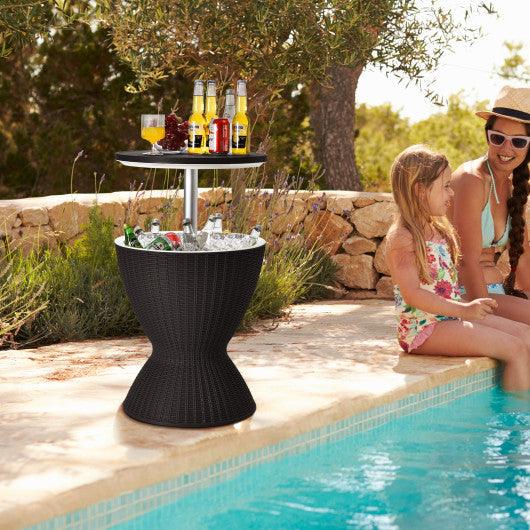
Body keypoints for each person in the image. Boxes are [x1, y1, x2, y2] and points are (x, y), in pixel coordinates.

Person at [386, 144, 530, 392]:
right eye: (445, 186)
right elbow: (413, 294)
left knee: (526, 335)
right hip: (424, 329)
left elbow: (445, 286)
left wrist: (465, 309)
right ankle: (515, 415)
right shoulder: (403, 237)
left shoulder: (439, 230)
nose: (451, 193)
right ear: (420, 190)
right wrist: (464, 309)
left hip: (449, 318)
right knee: (515, 348)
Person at [449, 85, 530, 325]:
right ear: (487, 136)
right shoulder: (472, 180)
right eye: (498, 138)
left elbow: (523, 257)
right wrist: (486, 320)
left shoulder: (514, 187)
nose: (506, 149)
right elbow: (466, 261)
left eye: (518, 141)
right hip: (462, 294)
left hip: (494, 292)